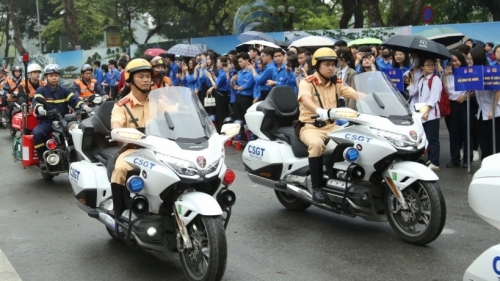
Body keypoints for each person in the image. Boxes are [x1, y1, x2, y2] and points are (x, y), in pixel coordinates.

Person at [297, 47, 360, 203]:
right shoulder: (307, 82)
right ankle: (317, 187)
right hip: (310, 126)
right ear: (317, 65)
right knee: (316, 145)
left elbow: (354, 94)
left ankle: (337, 175)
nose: (331, 68)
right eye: (327, 64)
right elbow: (305, 99)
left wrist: (376, 99)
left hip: (331, 127)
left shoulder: (337, 83)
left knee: (354, 140)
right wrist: (319, 110)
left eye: (333, 64)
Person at [32, 64, 91, 170]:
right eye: (51, 75)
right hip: (48, 121)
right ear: (46, 77)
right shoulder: (41, 90)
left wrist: (83, 106)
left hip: (63, 121)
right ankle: (41, 158)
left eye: (56, 75)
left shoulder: (64, 90)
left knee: (79, 131)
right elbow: (37, 100)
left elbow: (74, 100)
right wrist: (40, 108)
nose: (54, 77)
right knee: (38, 133)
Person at [407, 57, 442, 172]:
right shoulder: (422, 79)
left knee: (432, 139)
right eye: (428, 65)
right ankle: (429, 160)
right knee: (424, 138)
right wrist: (412, 79)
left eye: (432, 65)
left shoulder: (435, 79)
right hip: (421, 113)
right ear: (422, 67)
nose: (431, 67)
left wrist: (427, 111)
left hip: (431, 114)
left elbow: (434, 97)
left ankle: (435, 162)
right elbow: (413, 92)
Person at [442, 51, 473, 168]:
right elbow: (444, 89)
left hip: (465, 104)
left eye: (456, 60)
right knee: (453, 133)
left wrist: (466, 96)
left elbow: (474, 89)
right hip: (452, 104)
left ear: (461, 60)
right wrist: (445, 75)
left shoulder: (468, 72)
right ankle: (454, 158)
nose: (455, 63)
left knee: (466, 132)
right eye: (452, 61)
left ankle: (467, 158)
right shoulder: (448, 74)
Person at [470, 48, 500, 161]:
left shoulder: (489, 70)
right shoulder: (474, 72)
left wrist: (492, 108)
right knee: (484, 143)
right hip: (481, 113)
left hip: (494, 113)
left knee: (495, 142)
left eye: (470, 59)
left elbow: (497, 90)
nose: (469, 61)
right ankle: (485, 164)